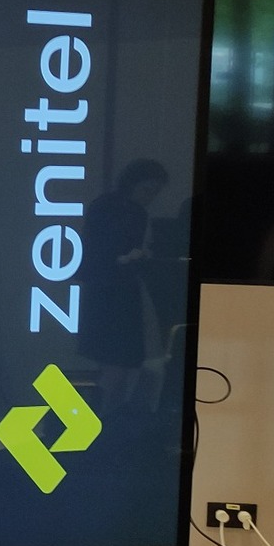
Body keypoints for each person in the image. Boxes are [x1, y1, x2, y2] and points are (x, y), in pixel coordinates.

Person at [78, 159, 168, 412]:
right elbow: (100, 250)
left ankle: (106, 418)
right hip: (113, 294)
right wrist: (128, 258)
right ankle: (107, 418)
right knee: (118, 366)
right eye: (148, 190)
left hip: (114, 293)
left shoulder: (114, 207)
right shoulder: (121, 210)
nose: (150, 197)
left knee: (119, 366)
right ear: (134, 184)